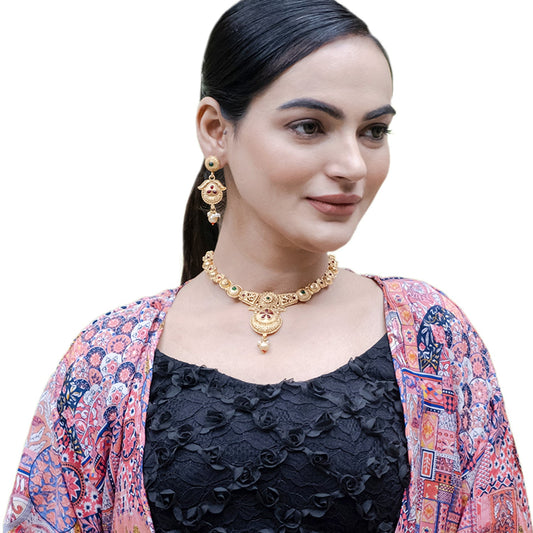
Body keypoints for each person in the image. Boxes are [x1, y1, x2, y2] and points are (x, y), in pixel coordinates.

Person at [3, 0, 531, 532]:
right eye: (309, 126)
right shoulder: (106, 357)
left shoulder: (433, 335)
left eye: (374, 131)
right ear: (216, 130)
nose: (353, 165)